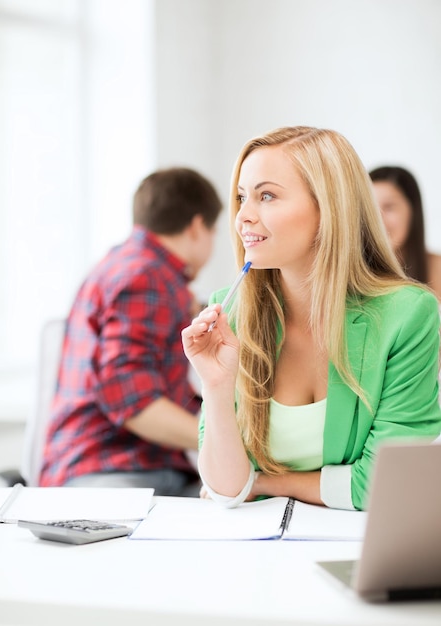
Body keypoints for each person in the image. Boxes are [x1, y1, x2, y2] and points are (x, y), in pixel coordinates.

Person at [181, 126, 441, 511]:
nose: (242, 218)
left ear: (329, 207)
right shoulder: (229, 312)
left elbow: (385, 484)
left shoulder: (408, 314)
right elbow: (224, 490)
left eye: (266, 195)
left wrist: (269, 482)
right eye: (241, 198)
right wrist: (216, 388)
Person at [40, 167, 222, 495]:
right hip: (112, 468)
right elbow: (134, 404)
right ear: (197, 226)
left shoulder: (121, 263)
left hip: (104, 465)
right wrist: (229, 440)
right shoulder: (149, 277)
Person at [369, 165, 441, 301]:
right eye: (370, 208)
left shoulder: (437, 268)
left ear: (413, 211)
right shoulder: (349, 274)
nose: (378, 219)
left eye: (389, 207)